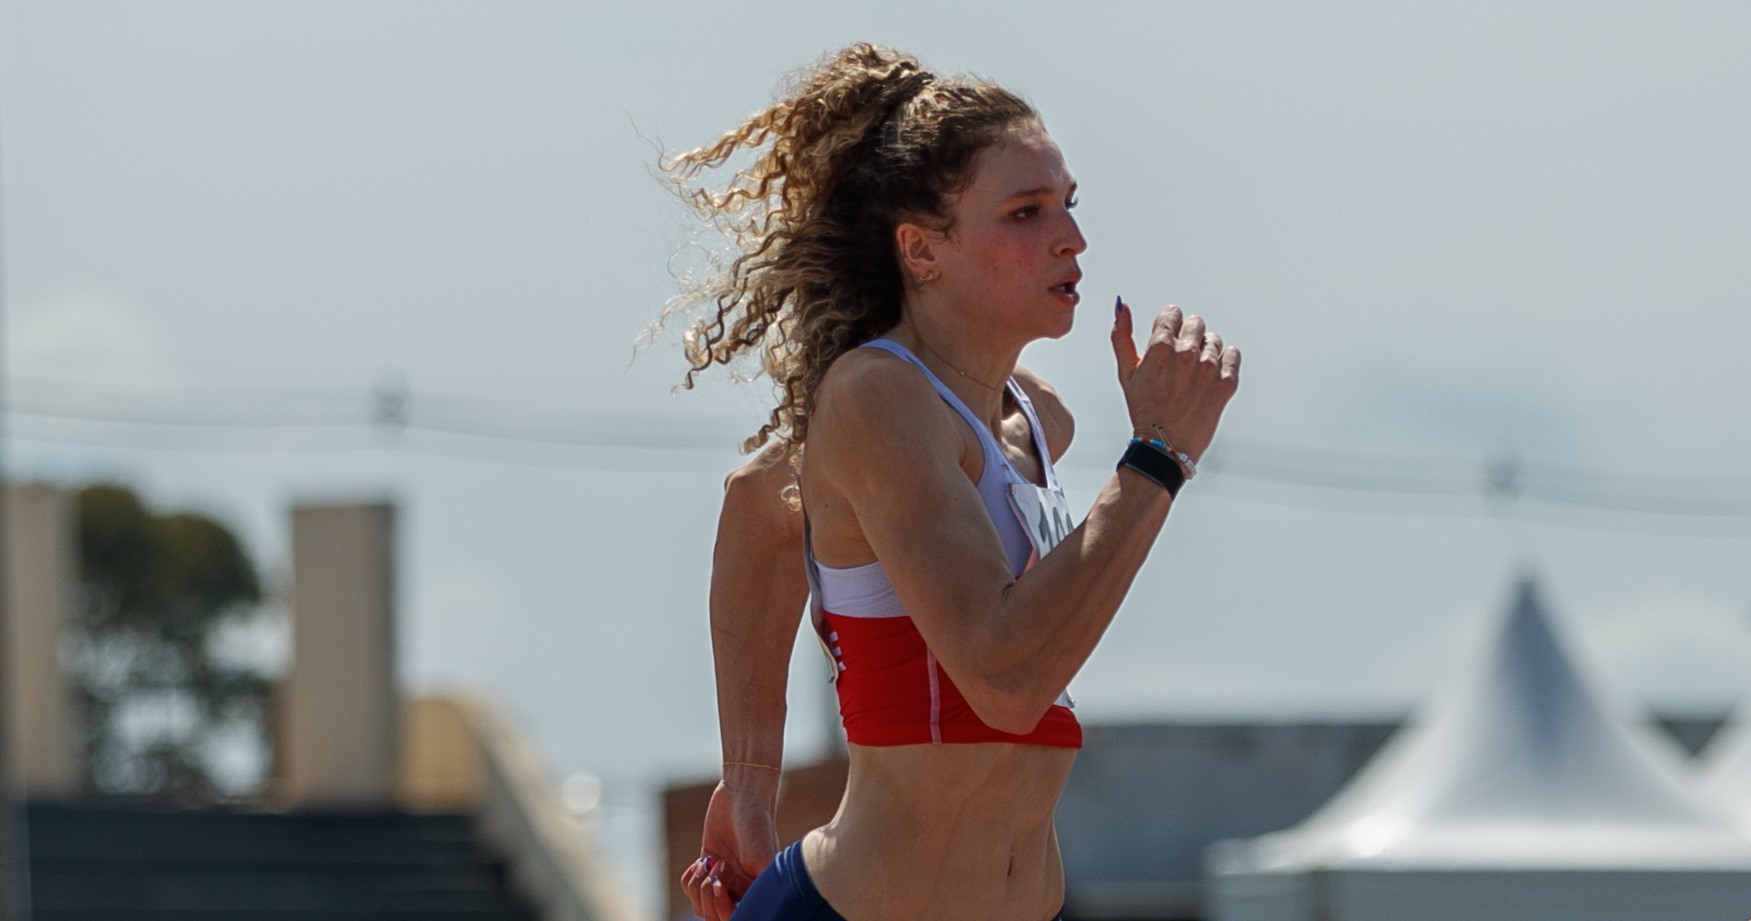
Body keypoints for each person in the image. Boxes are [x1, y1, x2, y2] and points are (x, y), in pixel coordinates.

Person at [664, 43, 1240, 921]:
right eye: (1024, 211)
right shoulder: (878, 394)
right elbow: (1003, 681)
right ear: (920, 250)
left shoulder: (1036, 418)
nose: (1070, 236)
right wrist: (1157, 456)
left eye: (1068, 205)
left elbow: (762, 497)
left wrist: (747, 779)